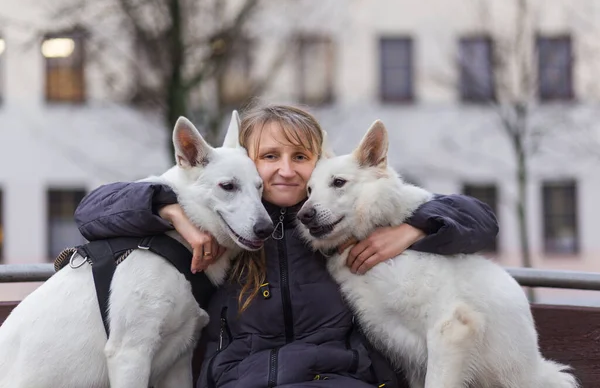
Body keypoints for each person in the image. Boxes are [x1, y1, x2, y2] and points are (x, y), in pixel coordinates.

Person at [74, 104, 498, 388]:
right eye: (270, 156)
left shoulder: (345, 214)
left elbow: (479, 217)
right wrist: (171, 212)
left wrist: (415, 228)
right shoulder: (228, 221)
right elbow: (92, 210)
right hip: (245, 379)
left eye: (300, 156)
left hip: (336, 378)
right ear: (244, 161)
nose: (285, 170)